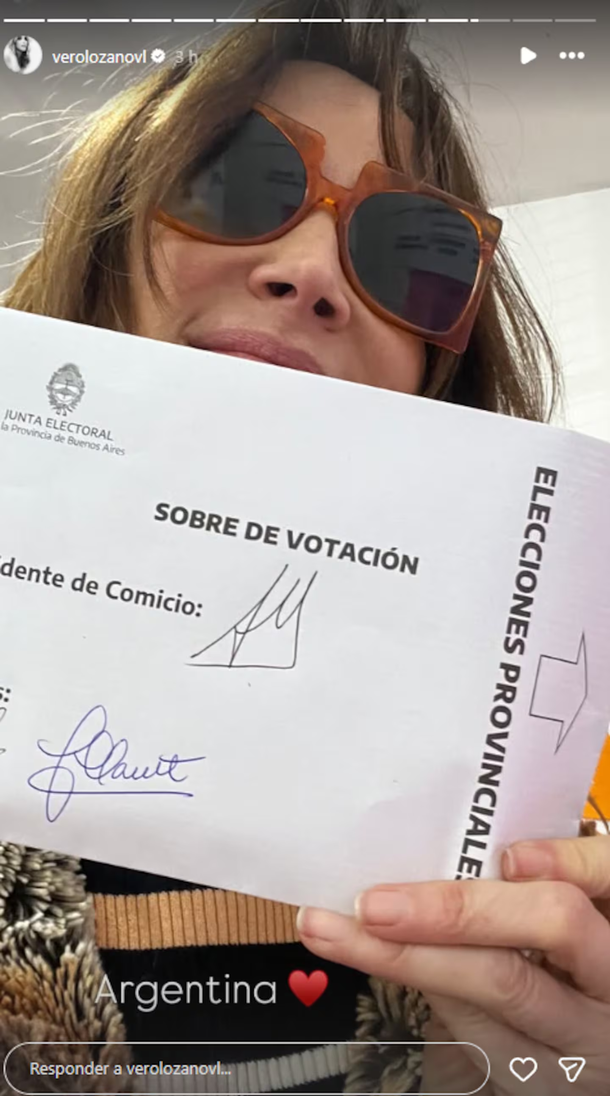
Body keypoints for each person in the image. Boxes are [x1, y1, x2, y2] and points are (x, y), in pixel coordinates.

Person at [1, 1, 609, 1092]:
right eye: (238, 179)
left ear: (436, 375)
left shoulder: (550, 816)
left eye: (413, 253)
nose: (310, 270)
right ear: (106, 231)